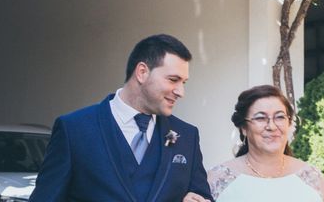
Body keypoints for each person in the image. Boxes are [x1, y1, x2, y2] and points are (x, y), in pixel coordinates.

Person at [29, 34, 212, 202]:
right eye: (173, 80)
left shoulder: (187, 136)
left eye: (184, 83)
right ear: (142, 72)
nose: (181, 92)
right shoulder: (74, 130)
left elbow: (201, 194)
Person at [206, 85, 324, 202]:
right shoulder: (217, 179)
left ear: (289, 123)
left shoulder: (312, 178)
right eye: (260, 118)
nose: (272, 126)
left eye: (279, 117)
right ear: (243, 128)